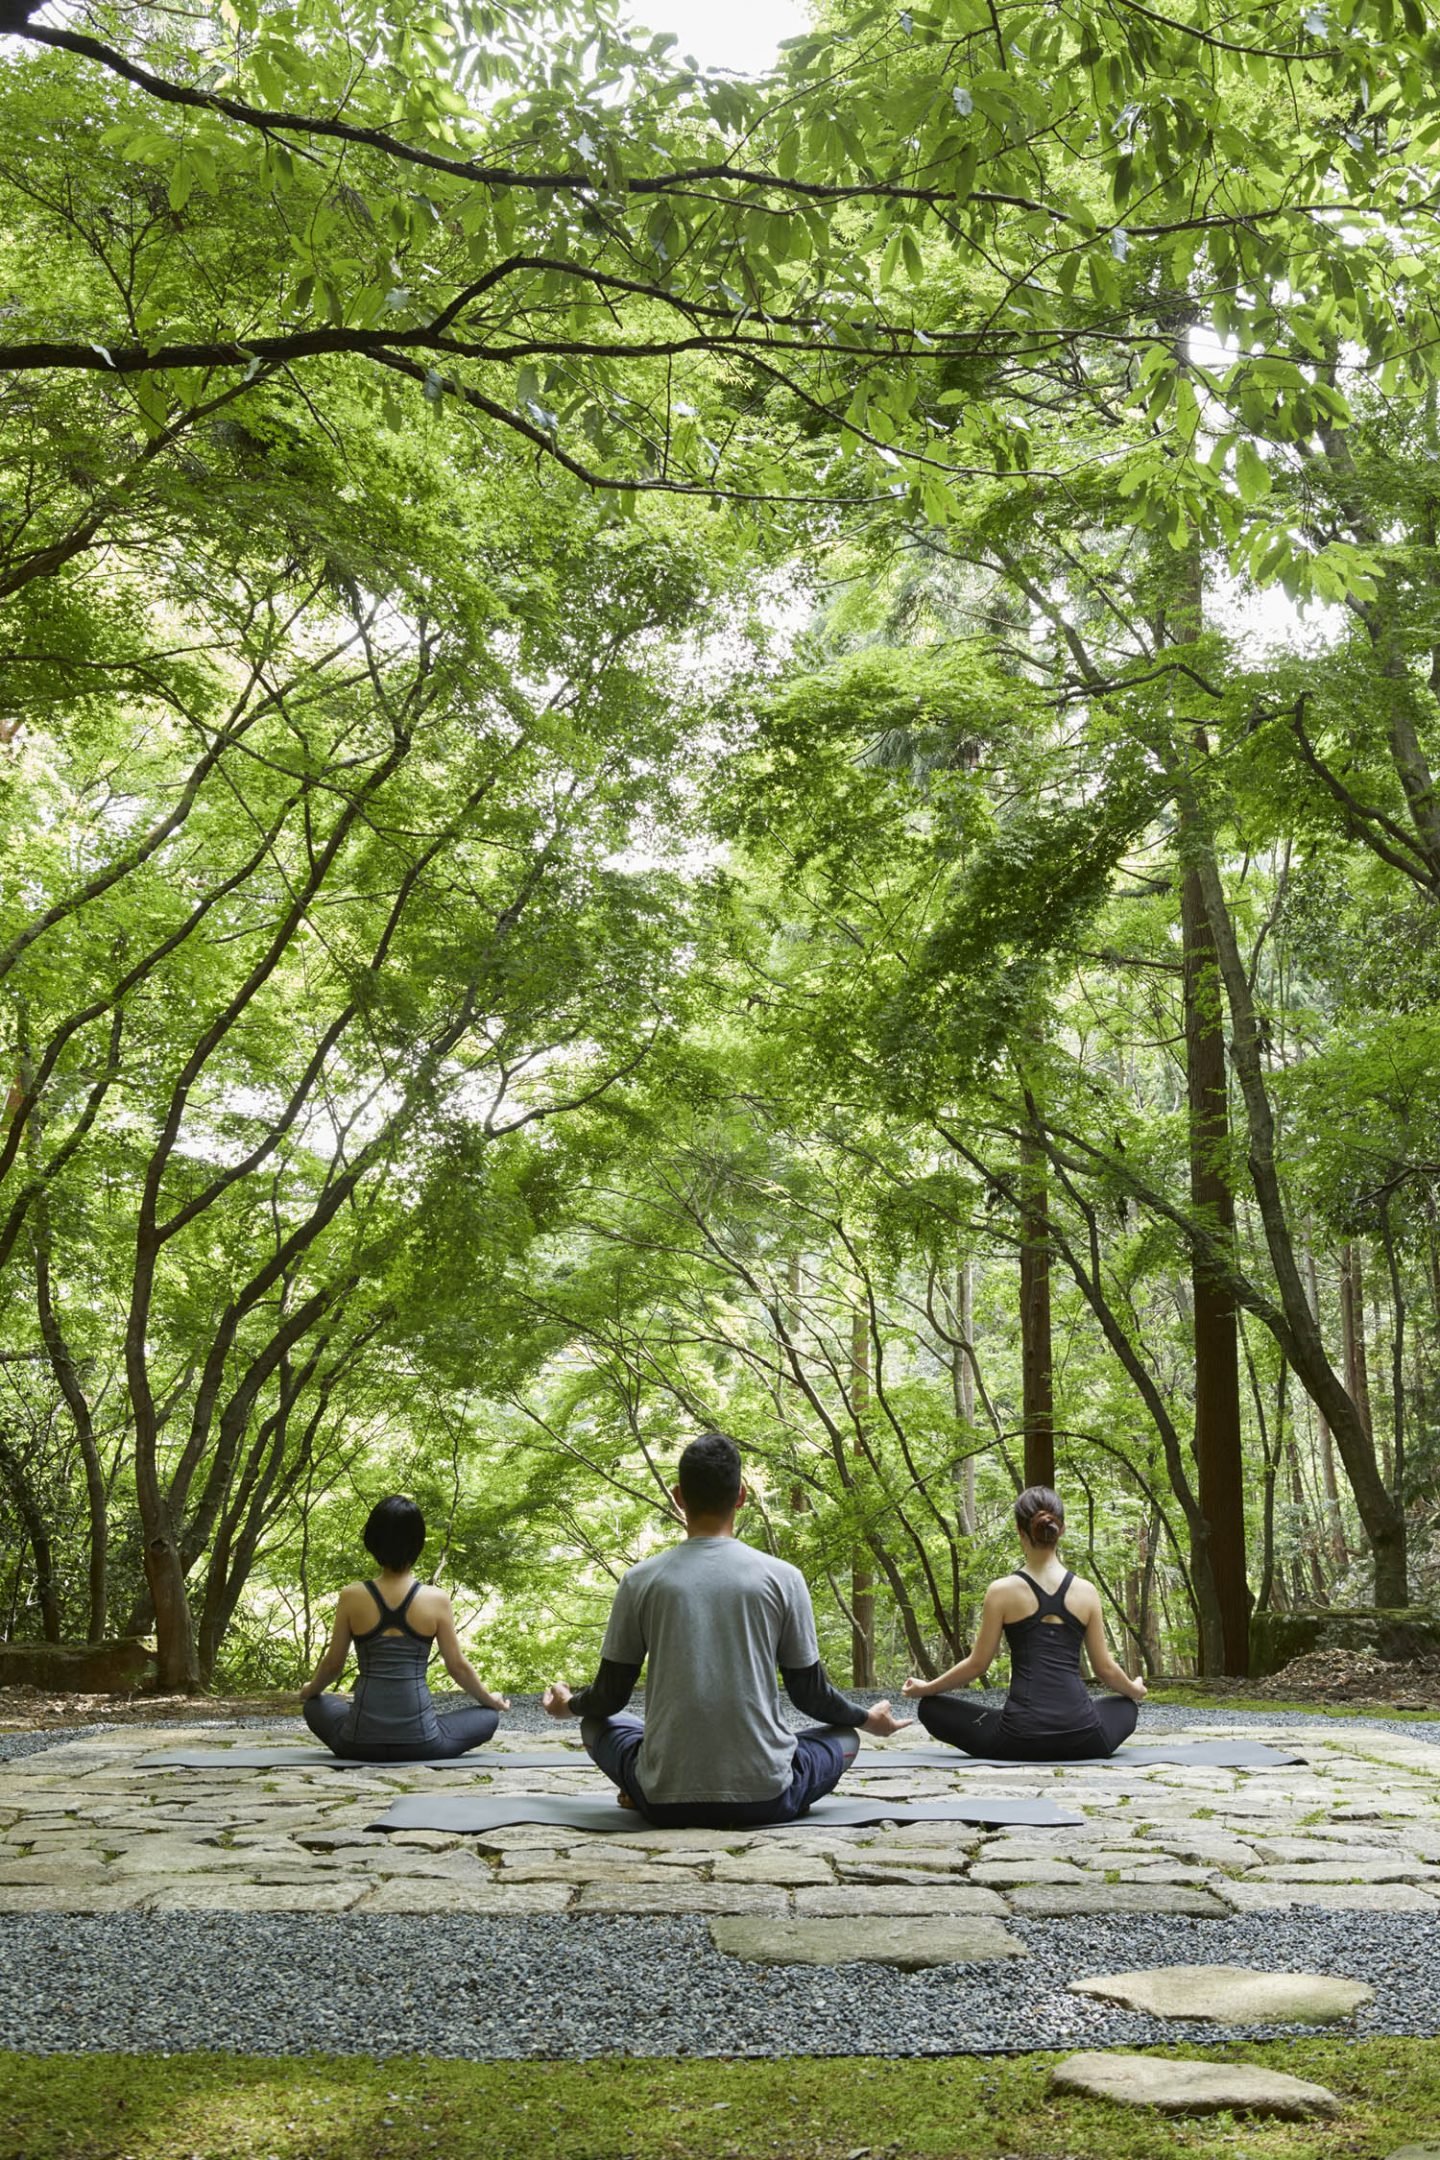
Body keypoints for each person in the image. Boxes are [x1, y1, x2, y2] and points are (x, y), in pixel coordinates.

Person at [542, 1429, 910, 1825]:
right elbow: (811, 1696)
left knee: (598, 1724)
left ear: (678, 1495)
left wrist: (567, 1706)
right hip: (767, 1797)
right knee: (845, 1738)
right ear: (741, 1496)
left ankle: (639, 1786)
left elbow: (609, 1697)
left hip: (662, 1799)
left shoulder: (640, 1580)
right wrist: (868, 1720)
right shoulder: (783, 1577)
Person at [901, 1485, 1146, 1761]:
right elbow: (1104, 1668)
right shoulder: (1086, 1591)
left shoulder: (1001, 1591)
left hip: (1017, 1739)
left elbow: (977, 1665)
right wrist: (1134, 1689)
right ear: (1061, 1529)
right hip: (1086, 1737)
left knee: (930, 1708)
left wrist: (927, 1688)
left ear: (1020, 1531)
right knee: (1126, 1706)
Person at [299, 1495, 509, 1762]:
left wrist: (308, 1691)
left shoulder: (351, 1596)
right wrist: (490, 1700)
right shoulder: (436, 1599)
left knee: (316, 1704)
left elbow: (332, 1665)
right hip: (424, 1743)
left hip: (356, 1743)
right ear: (417, 1543)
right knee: (487, 1717)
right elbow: (457, 1667)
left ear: (372, 1540)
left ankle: (357, 1724)